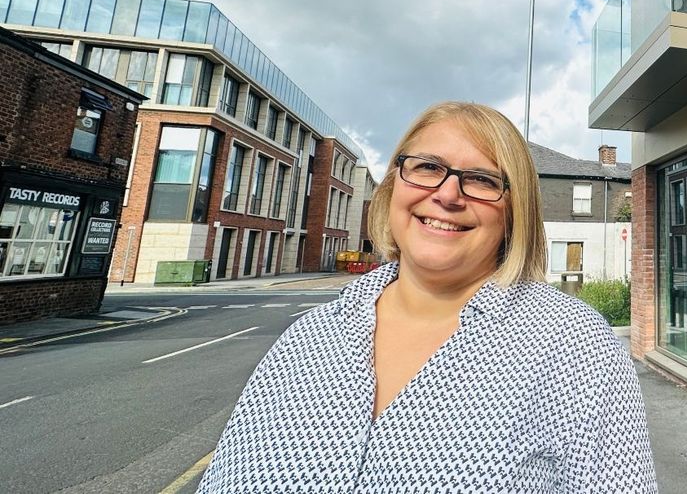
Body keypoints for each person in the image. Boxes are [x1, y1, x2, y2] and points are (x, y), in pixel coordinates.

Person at [198, 101, 657, 493]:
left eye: (481, 179)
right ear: (394, 185)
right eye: (428, 168)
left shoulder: (573, 345)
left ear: (515, 213)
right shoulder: (308, 338)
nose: (447, 194)